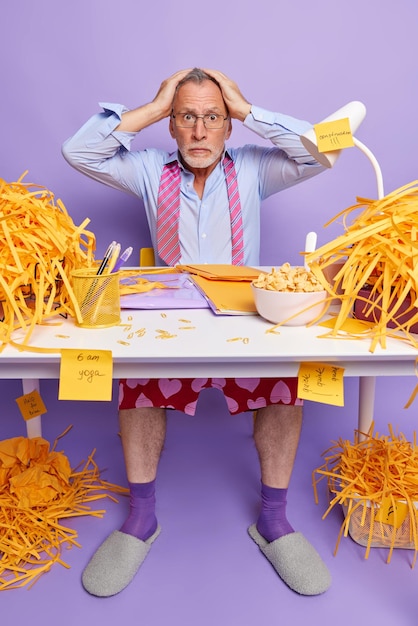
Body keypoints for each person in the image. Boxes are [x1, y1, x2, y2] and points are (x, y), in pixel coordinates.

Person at [62, 68, 331, 597]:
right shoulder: (143, 168)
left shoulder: (254, 168)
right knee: (135, 388)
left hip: (247, 319)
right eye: (188, 118)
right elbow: (80, 152)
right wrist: (156, 104)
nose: (201, 132)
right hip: (168, 321)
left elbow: (320, 153)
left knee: (285, 389)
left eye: (213, 118)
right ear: (172, 126)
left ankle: (274, 519)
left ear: (228, 126)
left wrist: (249, 109)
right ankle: (141, 517)